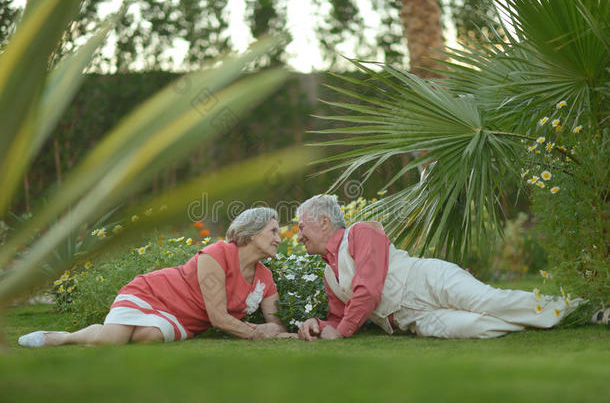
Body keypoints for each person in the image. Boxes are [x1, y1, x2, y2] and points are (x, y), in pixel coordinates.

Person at [296, 195, 583, 340]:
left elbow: (368, 290)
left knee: (488, 301)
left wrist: (343, 331)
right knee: (476, 327)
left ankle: (576, 309)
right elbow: (340, 315)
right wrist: (320, 326)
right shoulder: (328, 272)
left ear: (324, 222)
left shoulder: (360, 232)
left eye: (301, 227)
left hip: (426, 280)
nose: (298, 236)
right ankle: (548, 319)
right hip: (411, 320)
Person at [19, 207, 294, 347]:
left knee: (147, 336)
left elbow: (275, 322)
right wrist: (258, 333)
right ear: (252, 232)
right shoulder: (216, 255)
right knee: (109, 341)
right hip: (154, 292)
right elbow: (218, 317)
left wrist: (279, 332)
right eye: (273, 231)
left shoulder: (265, 278)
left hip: (183, 319)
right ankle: (62, 338)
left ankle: (103, 333)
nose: (279, 239)